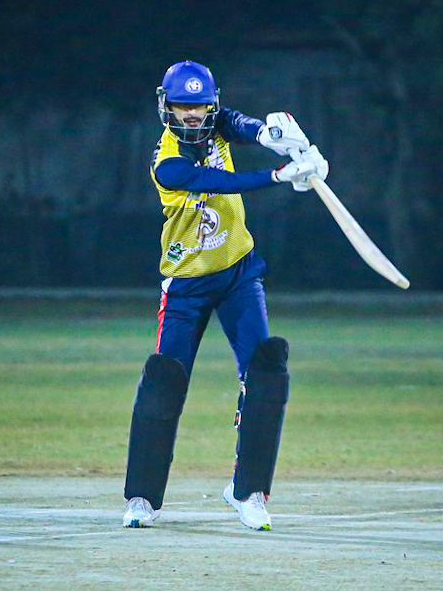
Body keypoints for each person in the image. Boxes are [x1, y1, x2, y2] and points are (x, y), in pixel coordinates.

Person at [122, 60, 328, 531]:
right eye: (183, 106)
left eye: (199, 106)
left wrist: (271, 135)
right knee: (164, 381)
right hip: (187, 284)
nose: (192, 114)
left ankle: (248, 491)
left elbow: (238, 123)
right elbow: (218, 182)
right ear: (166, 107)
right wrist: (279, 175)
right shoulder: (166, 163)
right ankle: (142, 498)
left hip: (238, 272)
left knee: (266, 370)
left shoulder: (217, 124)